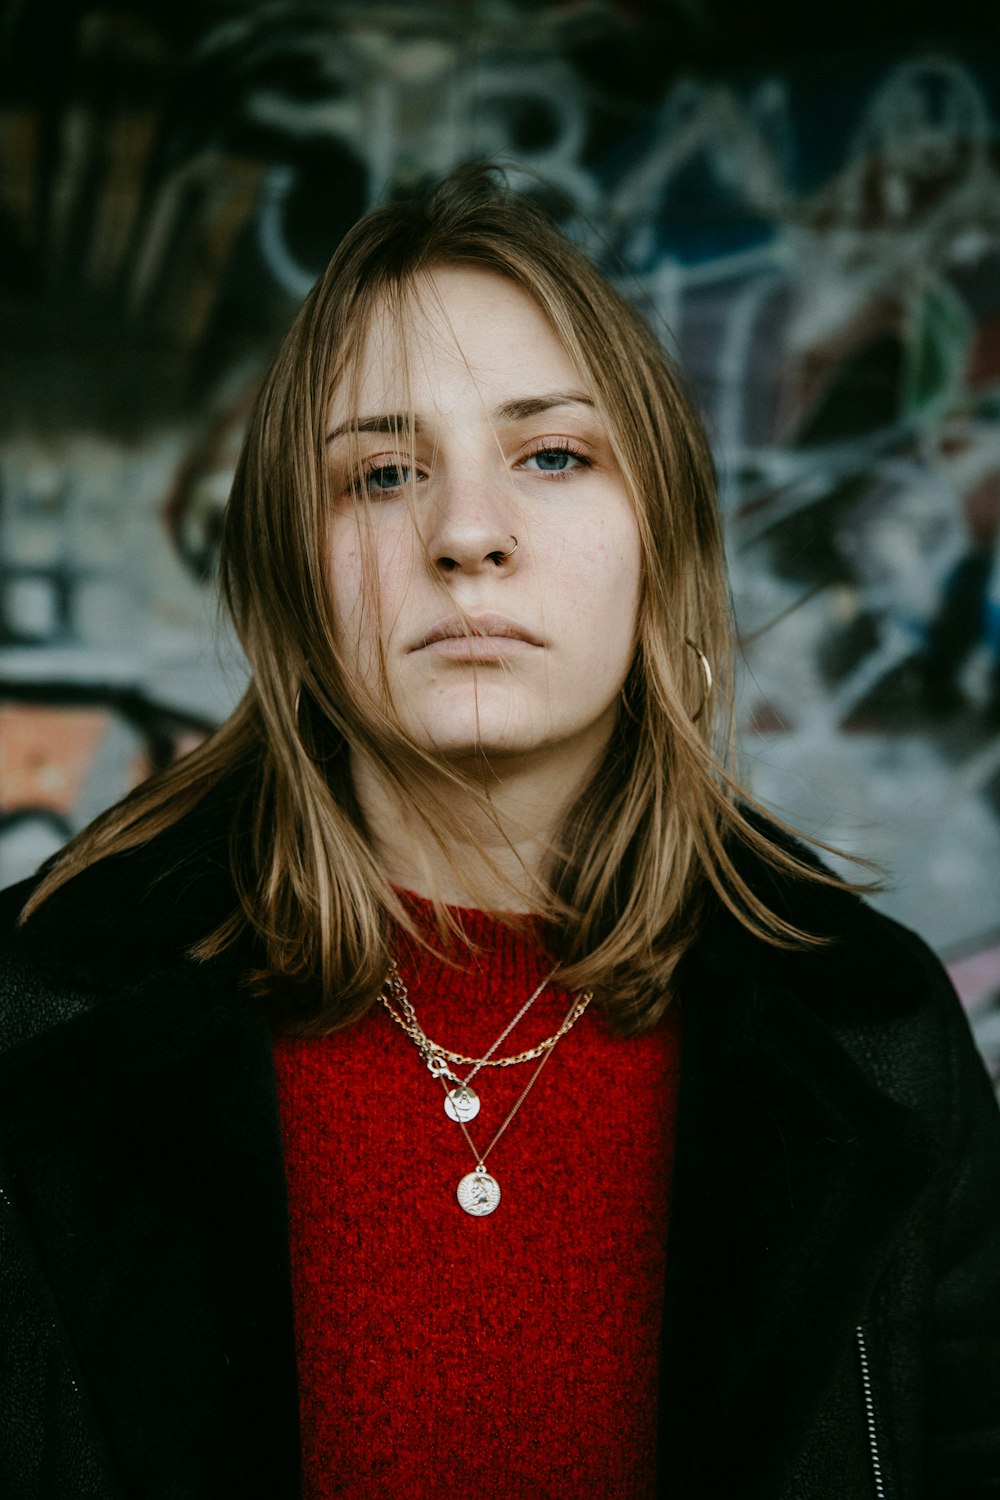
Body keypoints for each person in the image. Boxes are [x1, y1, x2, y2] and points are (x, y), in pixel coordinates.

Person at [1, 166, 998, 1500]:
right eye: (382, 473)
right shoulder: (41, 1023)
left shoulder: (876, 1038)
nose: (468, 534)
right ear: (292, 573)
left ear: (663, 542)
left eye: (552, 455)